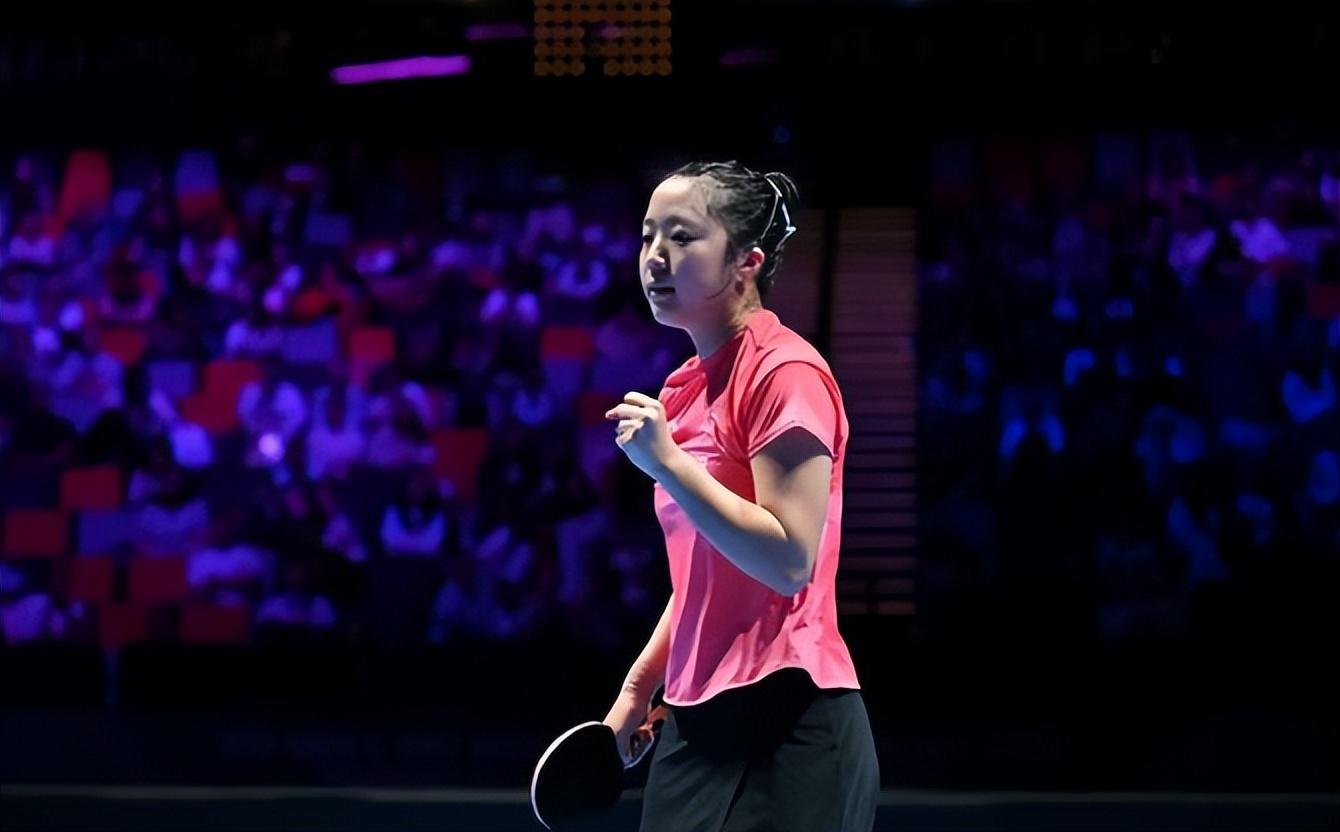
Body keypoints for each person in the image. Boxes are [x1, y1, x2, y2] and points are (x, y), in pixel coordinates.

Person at [602, 161, 878, 831]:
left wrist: (669, 463)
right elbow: (704, 575)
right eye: (647, 235)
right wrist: (638, 688)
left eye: (682, 237)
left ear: (745, 263)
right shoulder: (682, 390)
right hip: (693, 723)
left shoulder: (786, 373)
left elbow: (788, 561)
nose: (655, 256)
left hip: (790, 717)